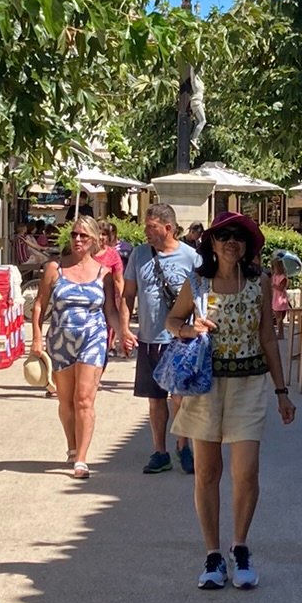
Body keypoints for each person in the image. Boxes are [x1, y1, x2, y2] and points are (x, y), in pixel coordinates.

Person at [165, 212, 295, 589]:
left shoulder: (260, 283)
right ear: (212, 242)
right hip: (206, 384)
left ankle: (240, 547)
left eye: (239, 236)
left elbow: (268, 338)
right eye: (224, 235)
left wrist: (282, 391)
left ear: (248, 245)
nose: (231, 242)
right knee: (206, 473)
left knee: (246, 472)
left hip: (249, 383)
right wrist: (190, 328)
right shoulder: (198, 282)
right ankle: (212, 554)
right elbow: (173, 321)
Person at [29, 215, 129, 479]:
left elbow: (110, 311)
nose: (77, 240)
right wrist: (36, 338)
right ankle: (72, 447)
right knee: (66, 402)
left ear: (95, 240)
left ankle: (82, 459)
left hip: (93, 339)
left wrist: (121, 333)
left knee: (84, 399)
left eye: (83, 236)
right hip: (61, 340)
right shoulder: (54, 268)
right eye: (74, 235)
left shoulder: (103, 273)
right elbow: (40, 304)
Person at [123, 202, 199, 474]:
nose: (146, 232)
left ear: (168, 228)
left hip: (180, 340)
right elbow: (128, 294)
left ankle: (183, 445)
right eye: (145, 226)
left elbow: (203, 297)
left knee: (179, 396)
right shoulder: (139, 255)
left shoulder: (191, 257)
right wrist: (123, 328)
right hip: (149, 338)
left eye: (151, 227)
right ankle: (160, 451)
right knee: (155, 398)